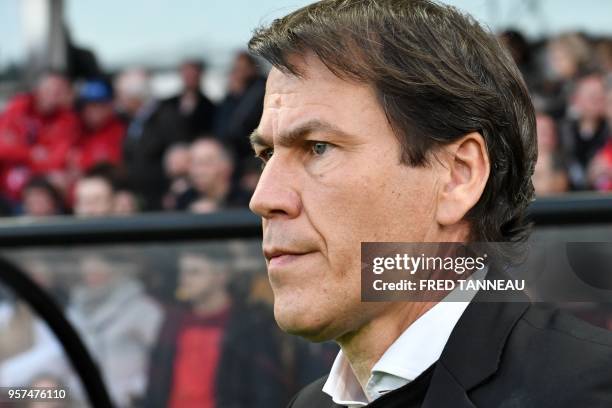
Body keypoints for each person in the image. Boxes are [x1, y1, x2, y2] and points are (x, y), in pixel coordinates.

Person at [246, 1, 612, 407]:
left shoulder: (586, 391)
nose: (264, 198)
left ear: (458, 176)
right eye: (265, 154)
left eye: (318, 147)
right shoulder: (310, 403)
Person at [116, 68, 190, 210]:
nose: (119, 100)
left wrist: (173, 191)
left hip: (163, 201)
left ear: (134, 97)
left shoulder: (167, 118)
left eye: (121, 95)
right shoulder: (131, 120)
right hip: (138, 199)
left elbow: (179, 159)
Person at [0, 71, 79, 203]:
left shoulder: (67, 120)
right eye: (49, 89)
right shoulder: (19, 106)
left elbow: (56, 160)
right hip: (6, 190)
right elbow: (2, 149)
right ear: (38, 89)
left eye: (58, 92)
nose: (52, 95)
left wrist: (17, 148)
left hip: (42, 188)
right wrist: (30, 153)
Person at [176, 138, 250, 212]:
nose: (197, 171)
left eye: (205, 163)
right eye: (193, 163)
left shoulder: (247, 200)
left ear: (227, 167)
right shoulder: (183, 200)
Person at [160, 59, 216, 138]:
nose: (190, 78)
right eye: (187, 74)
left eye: (193, 74)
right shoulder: (167, 104)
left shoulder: (210, 107)